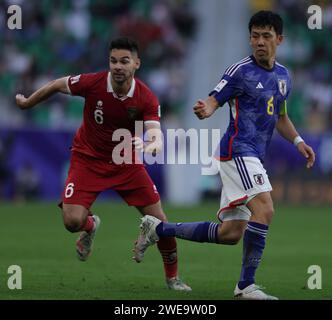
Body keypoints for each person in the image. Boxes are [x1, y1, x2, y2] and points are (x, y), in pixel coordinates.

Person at [134, 11, 316, 299]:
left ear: (279, 40)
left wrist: (298, 141)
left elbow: (280, 116)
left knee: (231, 233)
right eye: (254, 36)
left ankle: (158, 228)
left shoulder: (283, 76)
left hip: (253, 155)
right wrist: (207, 108)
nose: (259, 42)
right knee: (265, 209)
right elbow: (214, 98)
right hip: (237, 151)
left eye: (266, 36)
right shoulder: (239, 71)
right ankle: (246, 286)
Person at [15, 37, 191, 291]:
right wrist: (28, 102)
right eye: (113, 61)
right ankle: (90, 225)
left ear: (136, 63)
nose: (118, 66)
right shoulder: (93, 83)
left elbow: (155, 132)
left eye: (124, 61)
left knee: (161, 222)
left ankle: (172, 278)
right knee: (71, 221)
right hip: (87, 159)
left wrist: (152, 144)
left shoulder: (146, 97)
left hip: (125, 162)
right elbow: (57, 84)